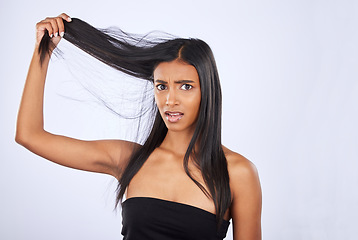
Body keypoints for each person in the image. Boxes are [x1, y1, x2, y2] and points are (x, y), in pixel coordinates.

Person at [16, 13, 262, 240]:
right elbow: (30, 136)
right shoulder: (130, 159)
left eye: (185, 86)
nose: (170, 100)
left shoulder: (238, 173)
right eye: (161, 86)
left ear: (207, 91)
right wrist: (43, 52)